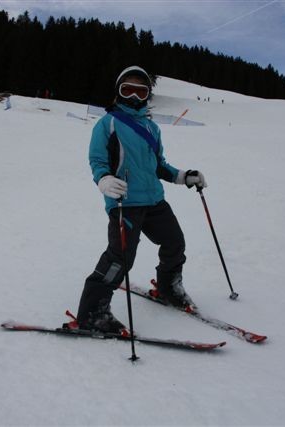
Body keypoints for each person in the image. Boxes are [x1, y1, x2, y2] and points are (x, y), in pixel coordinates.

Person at [75, 66, 207, 333]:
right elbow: (97, 160)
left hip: (154, 200)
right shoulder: (107, 123)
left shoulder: (152, 128)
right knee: (120, 257)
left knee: (174, 242)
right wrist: (103, 179)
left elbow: (159, 165)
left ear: (148, 95)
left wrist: (183, 176)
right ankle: (92, 312)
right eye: (128, 90)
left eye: (141, 91)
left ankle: (168, 287)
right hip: (124, 202)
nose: (134, 97)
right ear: (118, 92)